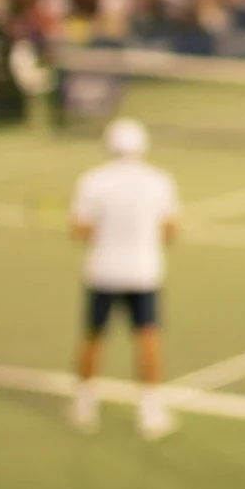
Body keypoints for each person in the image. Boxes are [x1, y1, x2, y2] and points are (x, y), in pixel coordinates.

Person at [68, 117, 180, 438]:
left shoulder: (92, 181)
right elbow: (170, 229)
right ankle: (150, 412)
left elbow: (80, 229)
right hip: (144, 272)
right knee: (148, 335)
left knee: (93, 335)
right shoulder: (160, 181)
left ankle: (84, 406)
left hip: (103, 271)